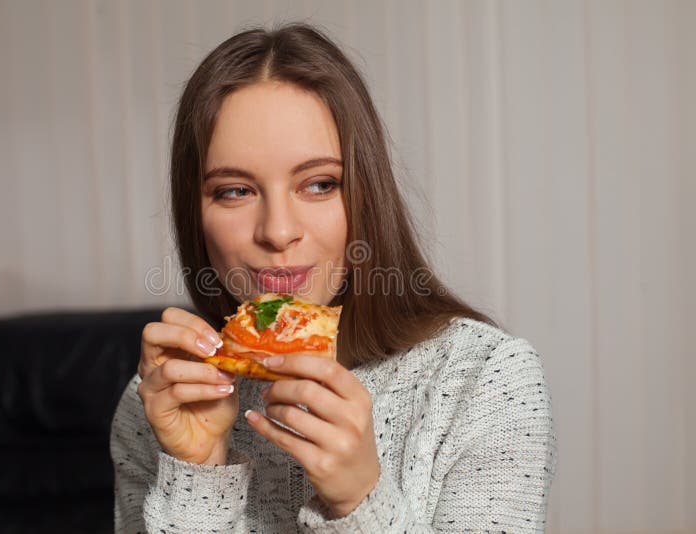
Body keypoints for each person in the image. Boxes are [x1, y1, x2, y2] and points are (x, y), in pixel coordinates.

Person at [110, 22, 556, 533]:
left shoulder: (486, 380)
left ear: (365, 196)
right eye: (235, 191)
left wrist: (360, 499)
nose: (277, 231)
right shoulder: (154, 403)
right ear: (196, 215)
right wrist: (197, 474)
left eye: (319, 184)